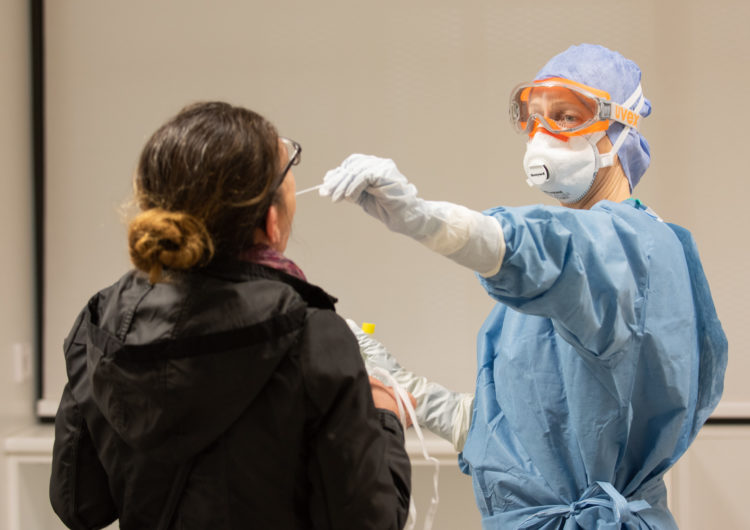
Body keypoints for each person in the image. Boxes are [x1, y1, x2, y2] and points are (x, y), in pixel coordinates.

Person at [321, 44, 727, 529]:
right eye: (532, 119)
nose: (542, 135)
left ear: (619, 131)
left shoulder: (629, 251)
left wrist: (421, 218)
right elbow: (533, 427)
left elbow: (536, 250)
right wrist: (416, 394)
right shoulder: (573, 269)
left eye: (565, 117)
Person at [49, 101, 414, 530]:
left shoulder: (101, 320)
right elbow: (372, 523)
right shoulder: (311, 337)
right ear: (272, 222)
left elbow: (80, 505)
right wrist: (383, 415)